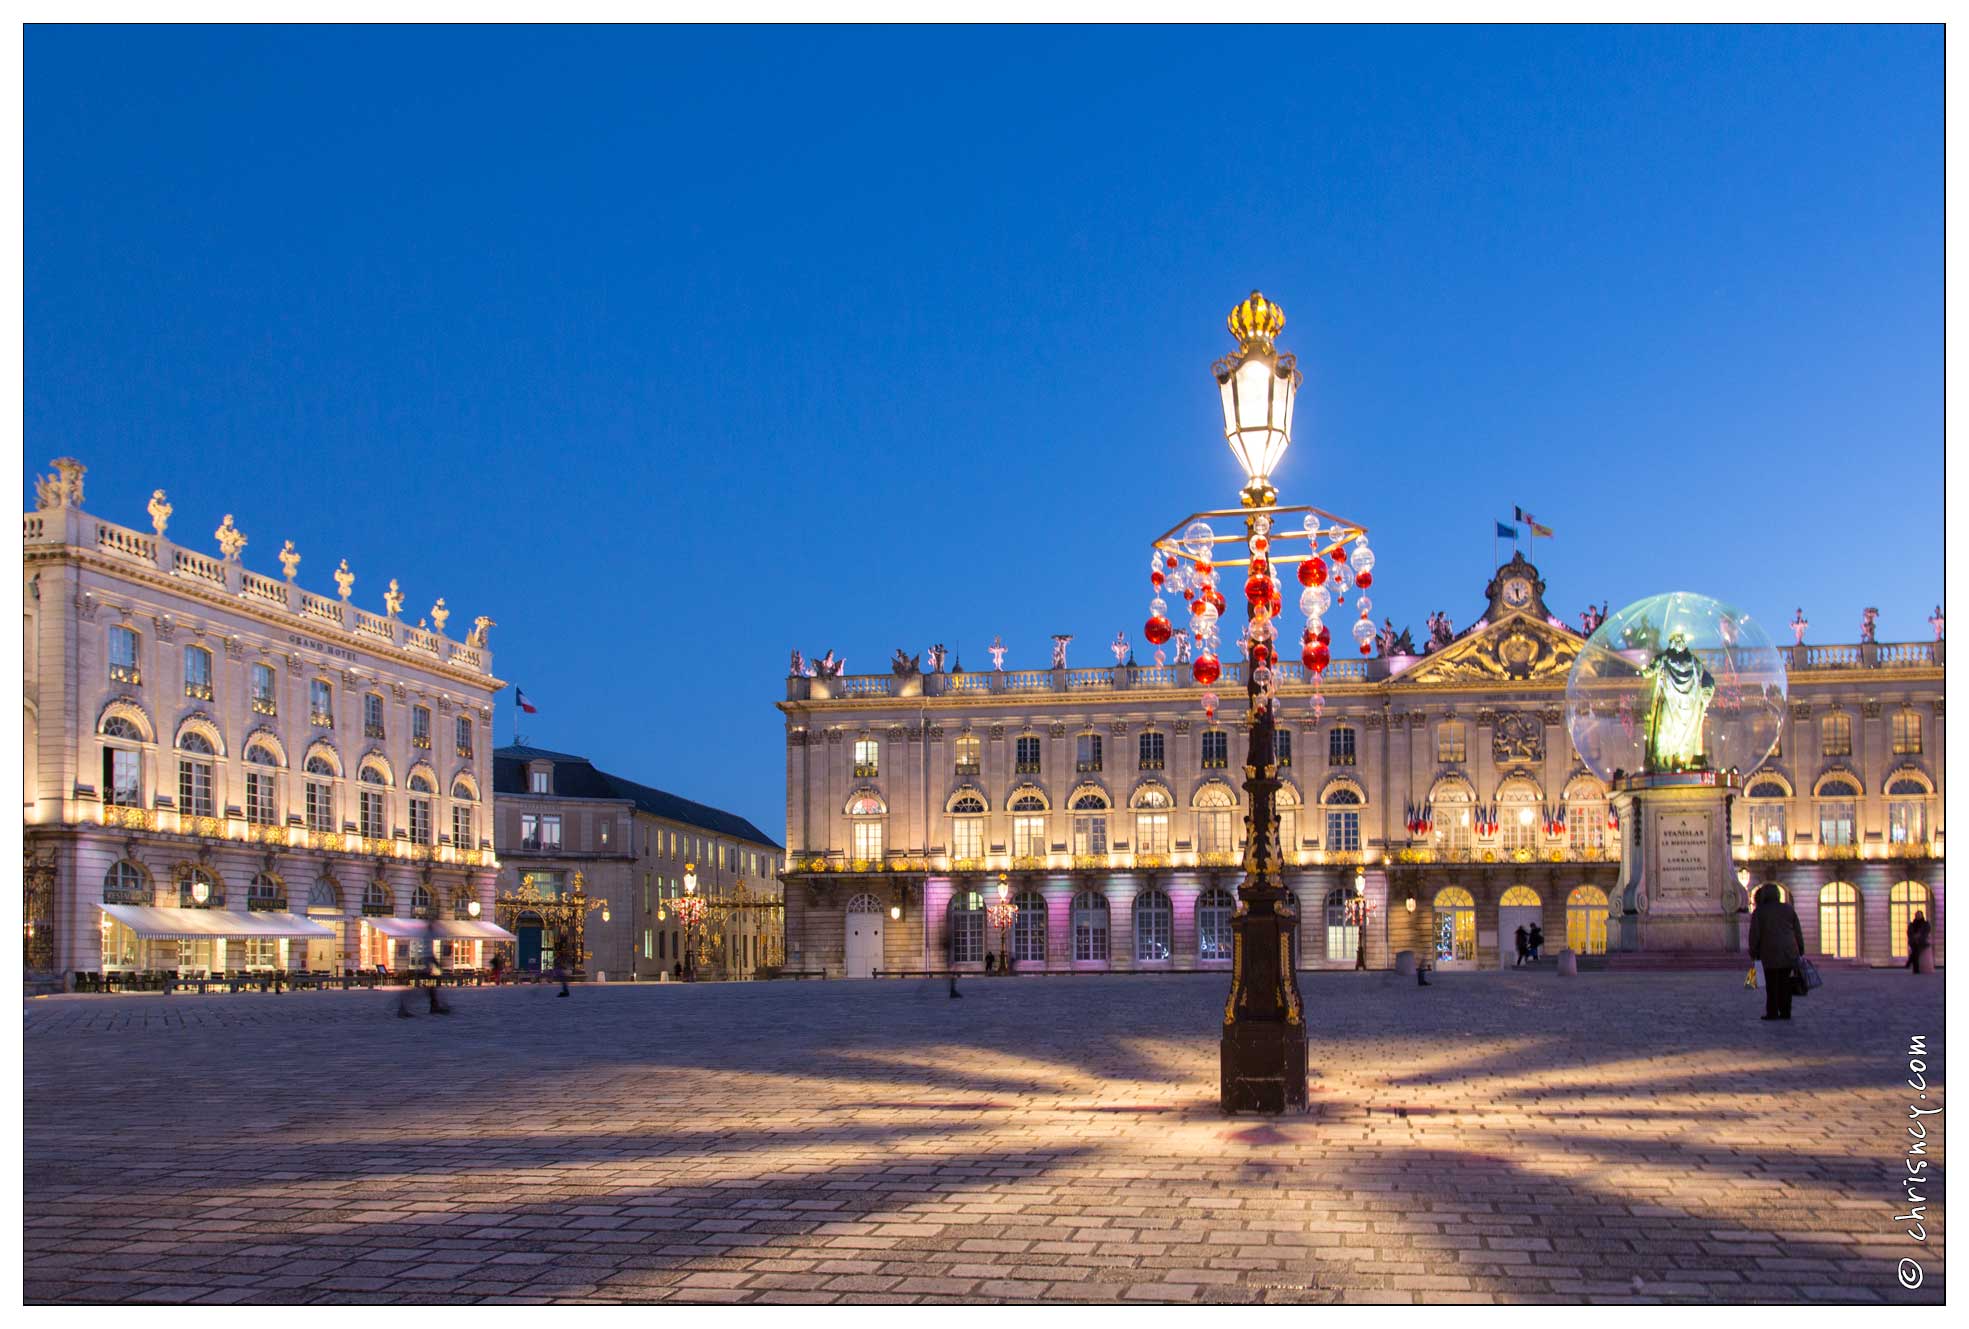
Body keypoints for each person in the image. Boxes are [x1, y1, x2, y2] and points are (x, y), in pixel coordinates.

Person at [1747, 884, 1805, 1021]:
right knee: (1786, 983)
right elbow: (1797, 931)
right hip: (1789, 952)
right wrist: (1801, 949)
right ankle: (1785, 1011)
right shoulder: (1788, 909)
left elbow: (1754, 934)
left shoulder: (1760, 911)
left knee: (1771, 984)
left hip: (1769, 952)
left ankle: (1772, 1012)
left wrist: (1753, 951)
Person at [1907, 910, 1932, 975]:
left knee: (1916, 951)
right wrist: (1914, 937)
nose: (1918, 916)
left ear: (1922, 915)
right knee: (1916, 951)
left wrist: (1919, 936)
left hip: (1922, 941)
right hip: (1913, 941)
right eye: (1917, 915)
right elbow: (1909, 933)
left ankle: (1911, 964)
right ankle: (1913, 967)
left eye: (1919, 915)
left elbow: (1926, 932)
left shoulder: (1926, 923)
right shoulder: (1912, 924)